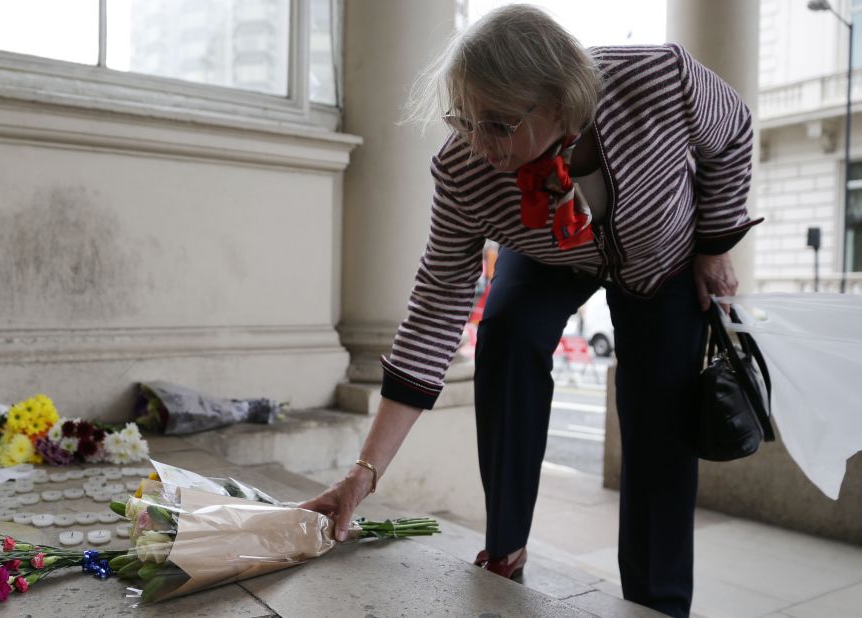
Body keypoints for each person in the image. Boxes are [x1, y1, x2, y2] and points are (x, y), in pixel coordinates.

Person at [299, 5, 759, 617]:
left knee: (658, 420)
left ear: (560, 102)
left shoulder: (659, 80)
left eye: (496, 124)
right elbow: (436, 304)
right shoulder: (464, 168)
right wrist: (364, 473)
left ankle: (659, 604)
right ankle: (505, 547)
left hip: (660, 257)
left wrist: (715, 244)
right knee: (508, 333)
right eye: (464, 120)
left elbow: (734, 133)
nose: (478, 143)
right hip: (546, 252)